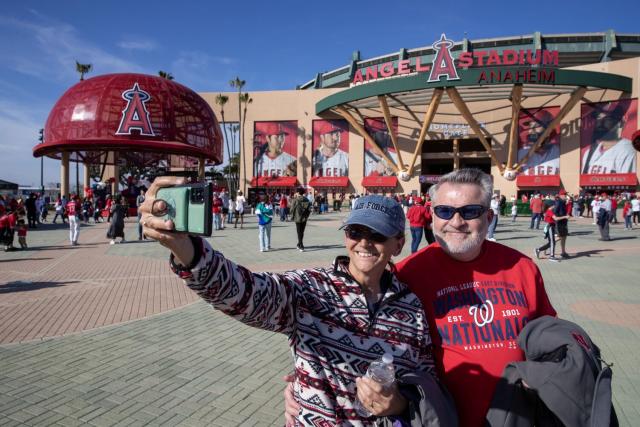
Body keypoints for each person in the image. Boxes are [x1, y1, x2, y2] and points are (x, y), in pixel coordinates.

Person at [140, 181, 442, 426]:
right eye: (356, 231)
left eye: (376, 234)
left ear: (398, 243)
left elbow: (425, 381)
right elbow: (246, 293)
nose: (364, 243)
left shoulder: (411, 307)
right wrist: (186, 249)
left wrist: (400, 403)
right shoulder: (311, 288)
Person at [581, 102, 637, 174]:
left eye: (608, 118)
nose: (600, 123)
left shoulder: (627, 150)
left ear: (621, 122)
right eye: (598, 118)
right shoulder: (589, 153)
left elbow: (629, 183)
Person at [517, 108, 560, 176]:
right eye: (530, 127)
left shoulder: (559, 153)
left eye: (536, 126)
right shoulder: (521, 154)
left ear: (549, 130)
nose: (531, 131)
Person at [290, 187, 311, 252]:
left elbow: (291, 209)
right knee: (302, 231)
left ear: (298, 192)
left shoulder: (295, 200)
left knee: (299, 232)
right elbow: (309, 210)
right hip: (304, 218)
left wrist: (292, 215)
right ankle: (299, 244)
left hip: (297, 217)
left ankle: (301, 245)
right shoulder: (307, 200)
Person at [554, 190, 571, 258]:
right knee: (560, 237)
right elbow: (555, 213)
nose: (566, 196)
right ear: (561, 195)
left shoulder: (563, 202)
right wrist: (564, 216)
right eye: (565, 195)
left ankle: (563, 252)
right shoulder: (559, 202)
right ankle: (544, 247)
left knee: (564, 237)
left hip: (563, 222)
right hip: (559, 222)